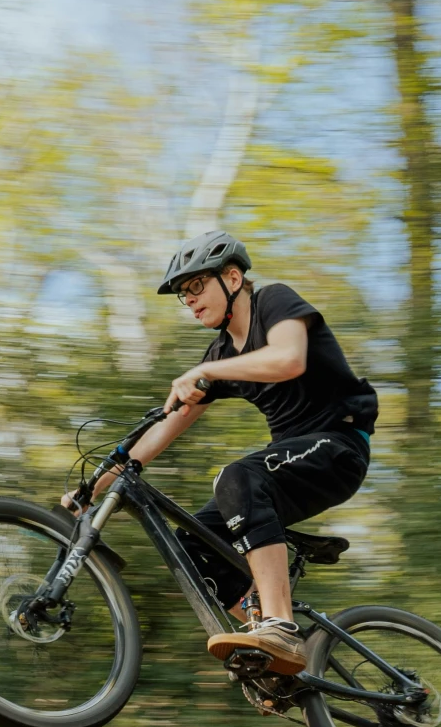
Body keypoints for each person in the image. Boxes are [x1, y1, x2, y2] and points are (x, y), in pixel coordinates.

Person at [65, 230, 377, 675]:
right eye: (182, 295)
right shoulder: (220, 355)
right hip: (291, 462)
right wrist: (92, 489)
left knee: (237, 477)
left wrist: (206, 369)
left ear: (232, 278)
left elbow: (289, 359)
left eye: (196, 286)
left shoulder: (274, 302)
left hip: (338, 445)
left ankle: (279, 627)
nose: (189, 300)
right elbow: (160, 433)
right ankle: (279, 655)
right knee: (191, 543)